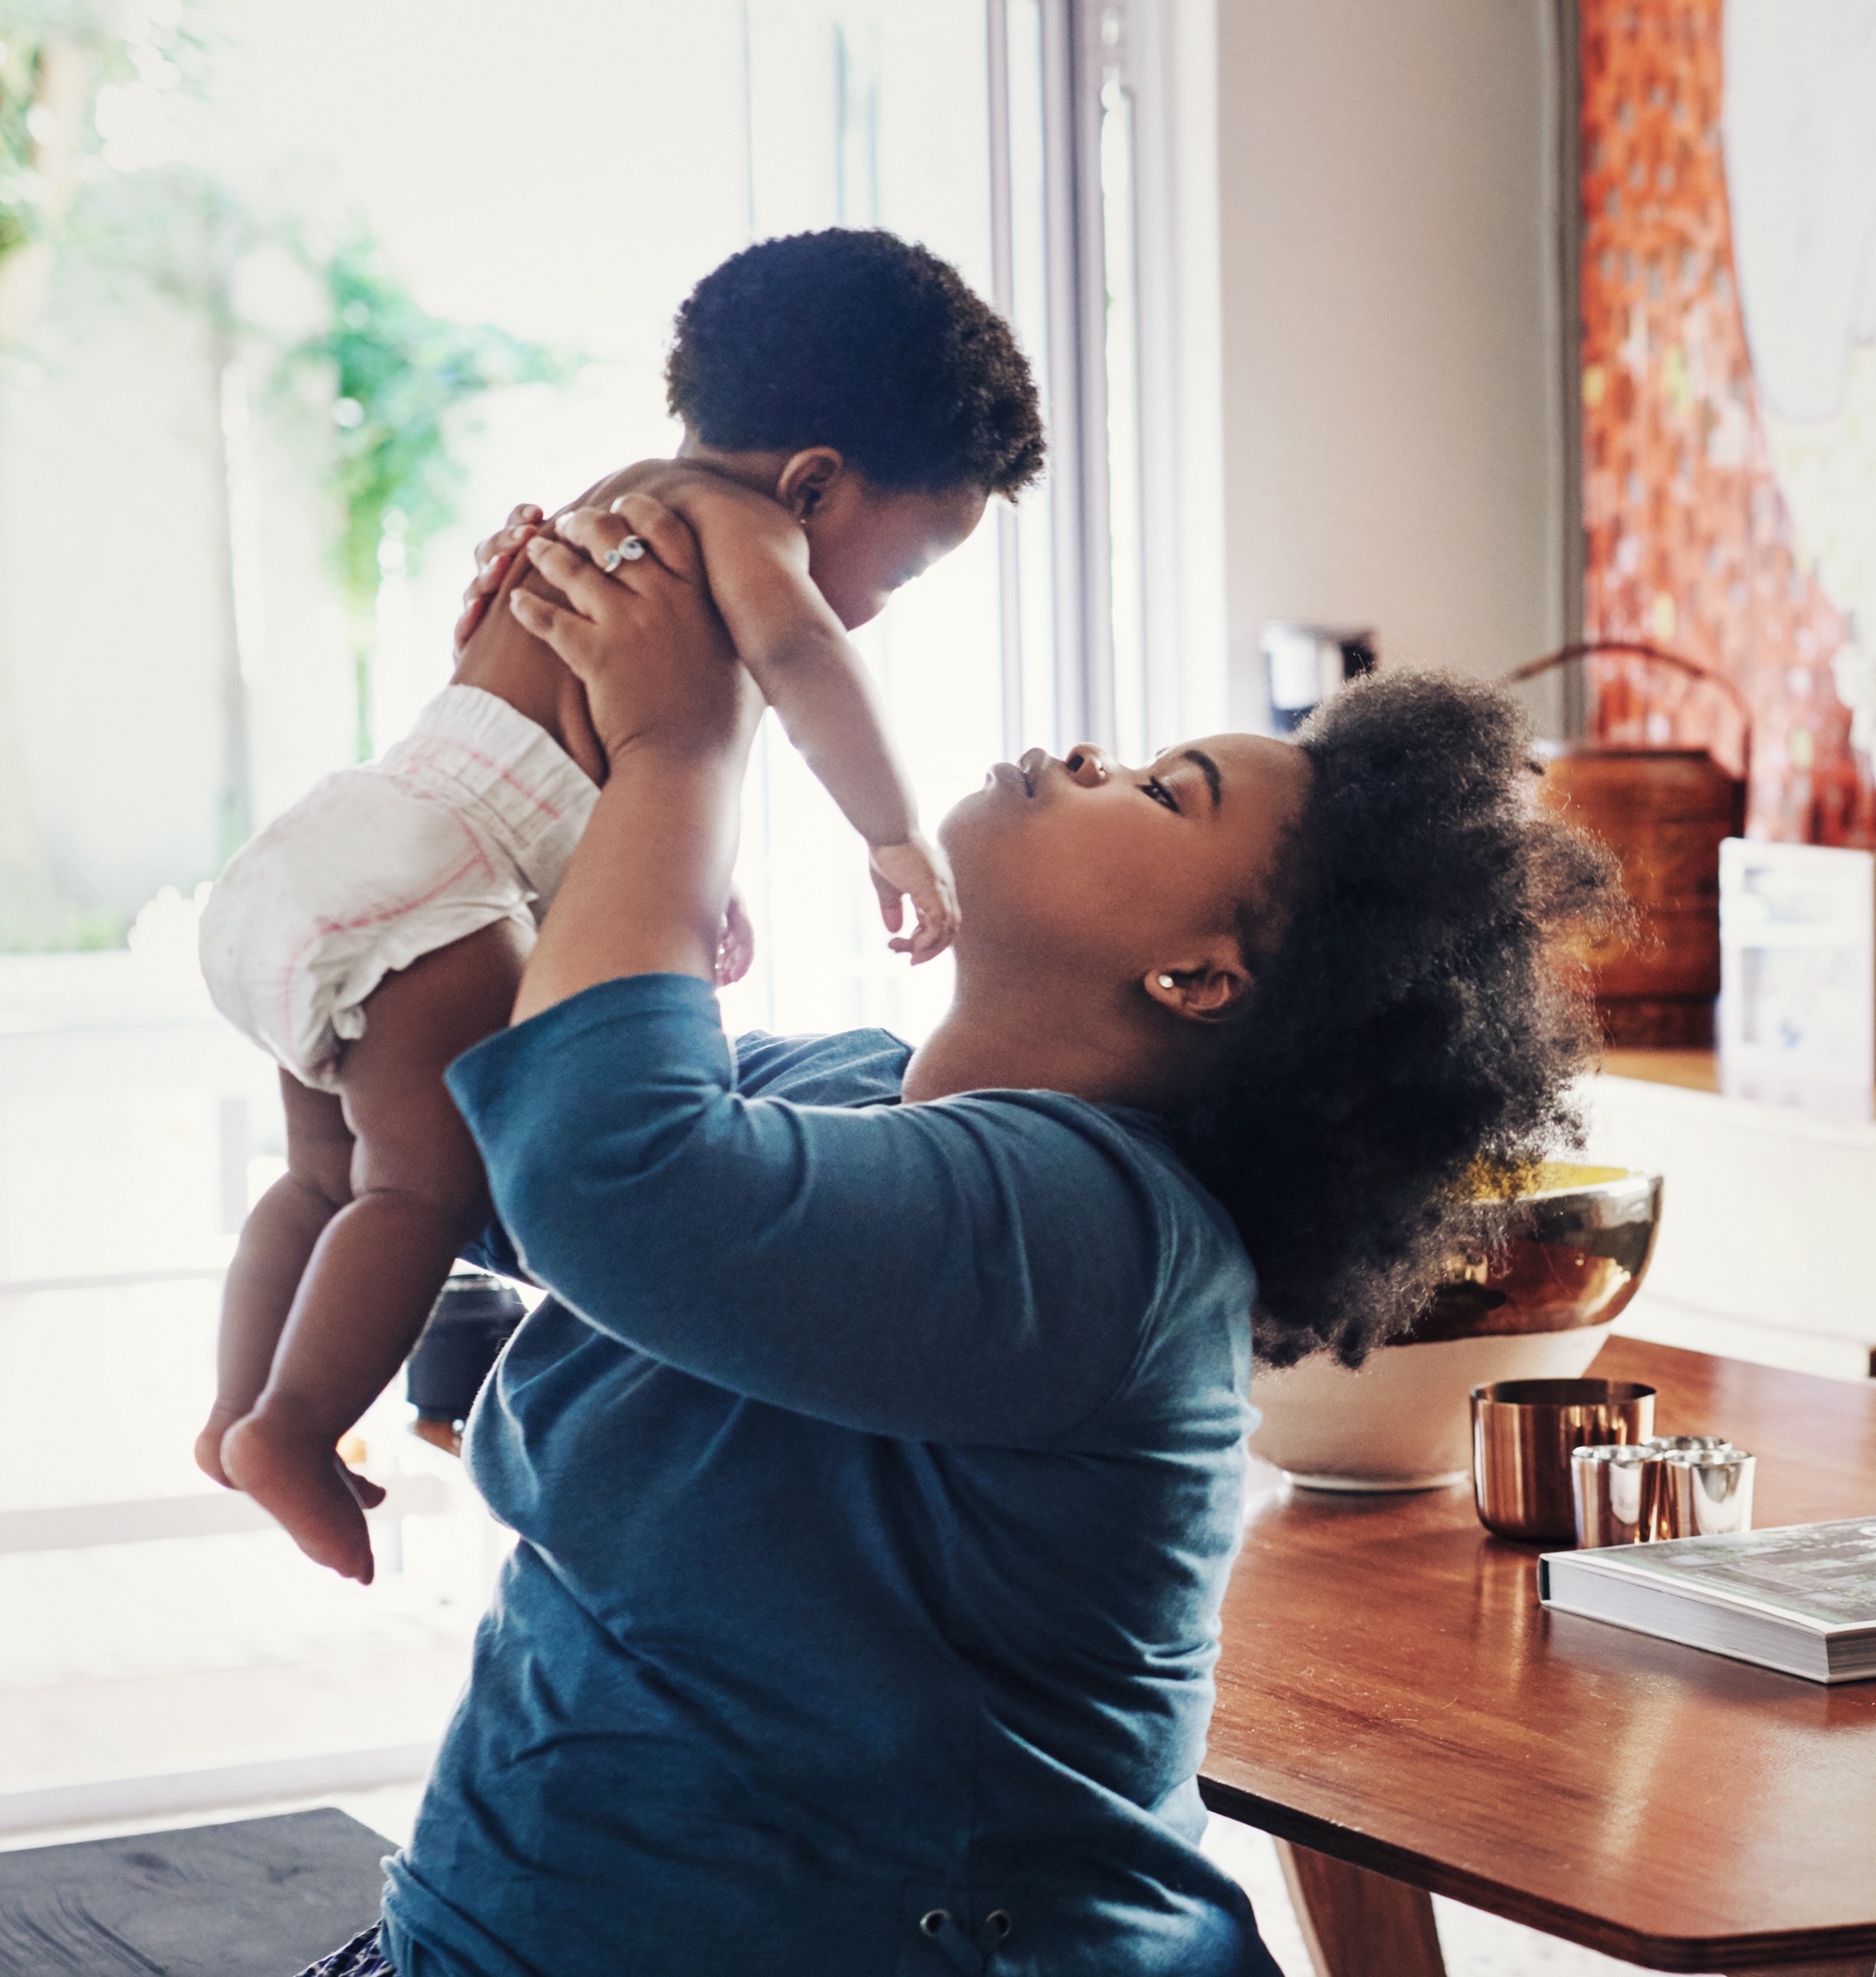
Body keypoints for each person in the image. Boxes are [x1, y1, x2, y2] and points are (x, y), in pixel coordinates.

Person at [293, 492, 1614, 1976]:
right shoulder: (844, 1089)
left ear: (1196, 976)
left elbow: (612, 1184)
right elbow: (483, 1135)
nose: (1080, 756)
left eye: (1164, 791)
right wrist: (523, 726)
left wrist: (678, 748)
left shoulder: (1100, 1238)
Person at [191, 230, 1046, 1581]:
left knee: (321, 1177)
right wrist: (895, 835)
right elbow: (801, 658)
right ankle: (294, 1427)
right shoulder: (742, 527)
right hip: (428, 896)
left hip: (330, 855)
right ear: (816, 482)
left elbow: (577, 743)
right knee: (424, 1186)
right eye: (908, 568)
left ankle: (237, 1407)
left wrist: (702, 881)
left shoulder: (604, 509)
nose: (875, 611)